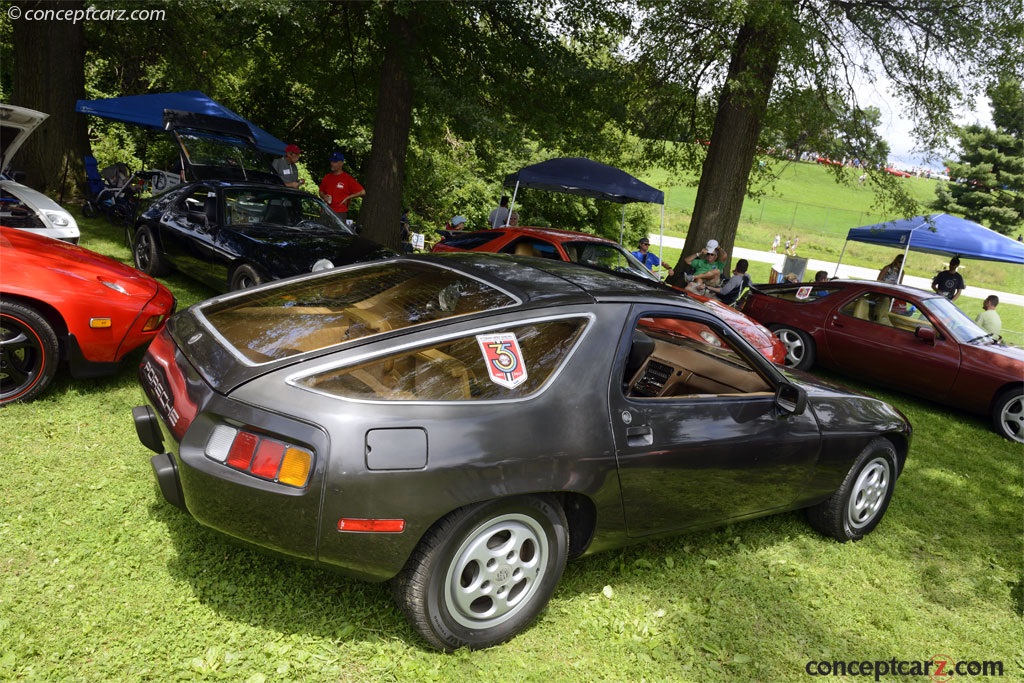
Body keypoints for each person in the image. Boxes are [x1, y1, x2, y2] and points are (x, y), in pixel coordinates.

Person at [319, 151, 365, 222]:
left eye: (335, 162)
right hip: (326, 210)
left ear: (341, 163)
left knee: (336, 233)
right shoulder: (327, 177)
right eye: (331, 161)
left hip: (339, 212)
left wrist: (348, 198)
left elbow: (362, 192)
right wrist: (324, 196)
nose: (332, 164)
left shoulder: (347, 178)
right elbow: (320, 192)